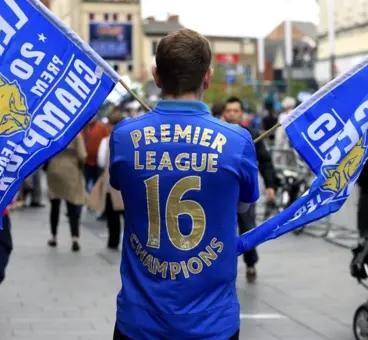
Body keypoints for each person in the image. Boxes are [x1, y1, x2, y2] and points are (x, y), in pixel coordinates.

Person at [108, 28, 259, 340]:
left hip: (139, 322)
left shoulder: (123, 137)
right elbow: (244, 205)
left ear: (156, 76)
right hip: (212, 323)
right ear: (208, 78)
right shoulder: (237, 140)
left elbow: (122, 188)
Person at [222, 96, 277, 282]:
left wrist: (270, 185)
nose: (232, 114)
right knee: (221, 231)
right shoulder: (216, 136)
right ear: (224, 113)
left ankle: (251, 262)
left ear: (241, 113)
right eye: (228, 111)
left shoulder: (252, 137)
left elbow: (265, 161)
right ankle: (222, 267)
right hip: (222, 194)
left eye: (235, 111)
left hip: (245, 192)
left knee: (247, 228)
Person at [89, 110, 126, 250]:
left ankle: (113, 241)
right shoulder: (133, 140)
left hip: (111, 182)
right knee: (129, 216)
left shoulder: (106, 141)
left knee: (112, 215)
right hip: (128, 183)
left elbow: (100, 161)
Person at [46, 133, 87, 252]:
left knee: (54, 205)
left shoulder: (54, 133)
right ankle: (75, 238)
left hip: (53, 169)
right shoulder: (76, 134)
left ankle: (53, 237)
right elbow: (82, 155)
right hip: (71, 170)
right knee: (72, 205)